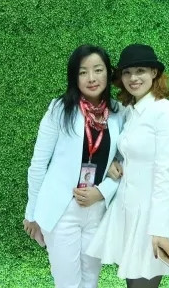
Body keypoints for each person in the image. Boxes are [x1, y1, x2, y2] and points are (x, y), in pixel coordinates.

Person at [87, 44, 169, 288]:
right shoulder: (129, 111)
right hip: (126, 209)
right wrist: (113, 163)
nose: (133, 78)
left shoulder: (165, 111)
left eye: (140, 71)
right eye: (127, 72)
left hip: (152, 214)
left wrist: (159, 229)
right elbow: (126, 150)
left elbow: (165, 172)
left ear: (154, 73)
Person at [23, 44, 124, 288]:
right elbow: (38, 163)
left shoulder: (118, 112)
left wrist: (102, 191)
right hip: (63, 209)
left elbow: (126, 163)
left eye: (98, 70)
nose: (91, 78)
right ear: (74, 77)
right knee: (68, 283)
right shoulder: (60, 109)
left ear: (108, 73)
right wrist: (31, 212)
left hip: (97, 209)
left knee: (91, 281)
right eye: (83, 72)